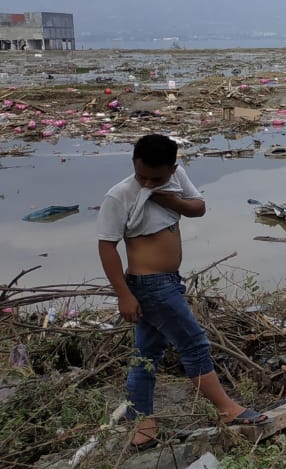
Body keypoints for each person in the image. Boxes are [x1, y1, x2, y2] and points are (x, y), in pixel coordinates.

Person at [98, 134, 268, 450]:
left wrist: (172, 201)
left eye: (156, 177)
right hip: (150, 285)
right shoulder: (119, 195)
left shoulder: (176, 179)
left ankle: (142, 427)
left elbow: (198, 208)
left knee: (146, 355)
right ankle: (227, 410)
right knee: (193, 344)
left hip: (168, 280)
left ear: (173, 167)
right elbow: (107, 246)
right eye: (141, 175)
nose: (148, 183)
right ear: (133, 164)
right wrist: (124, 295)